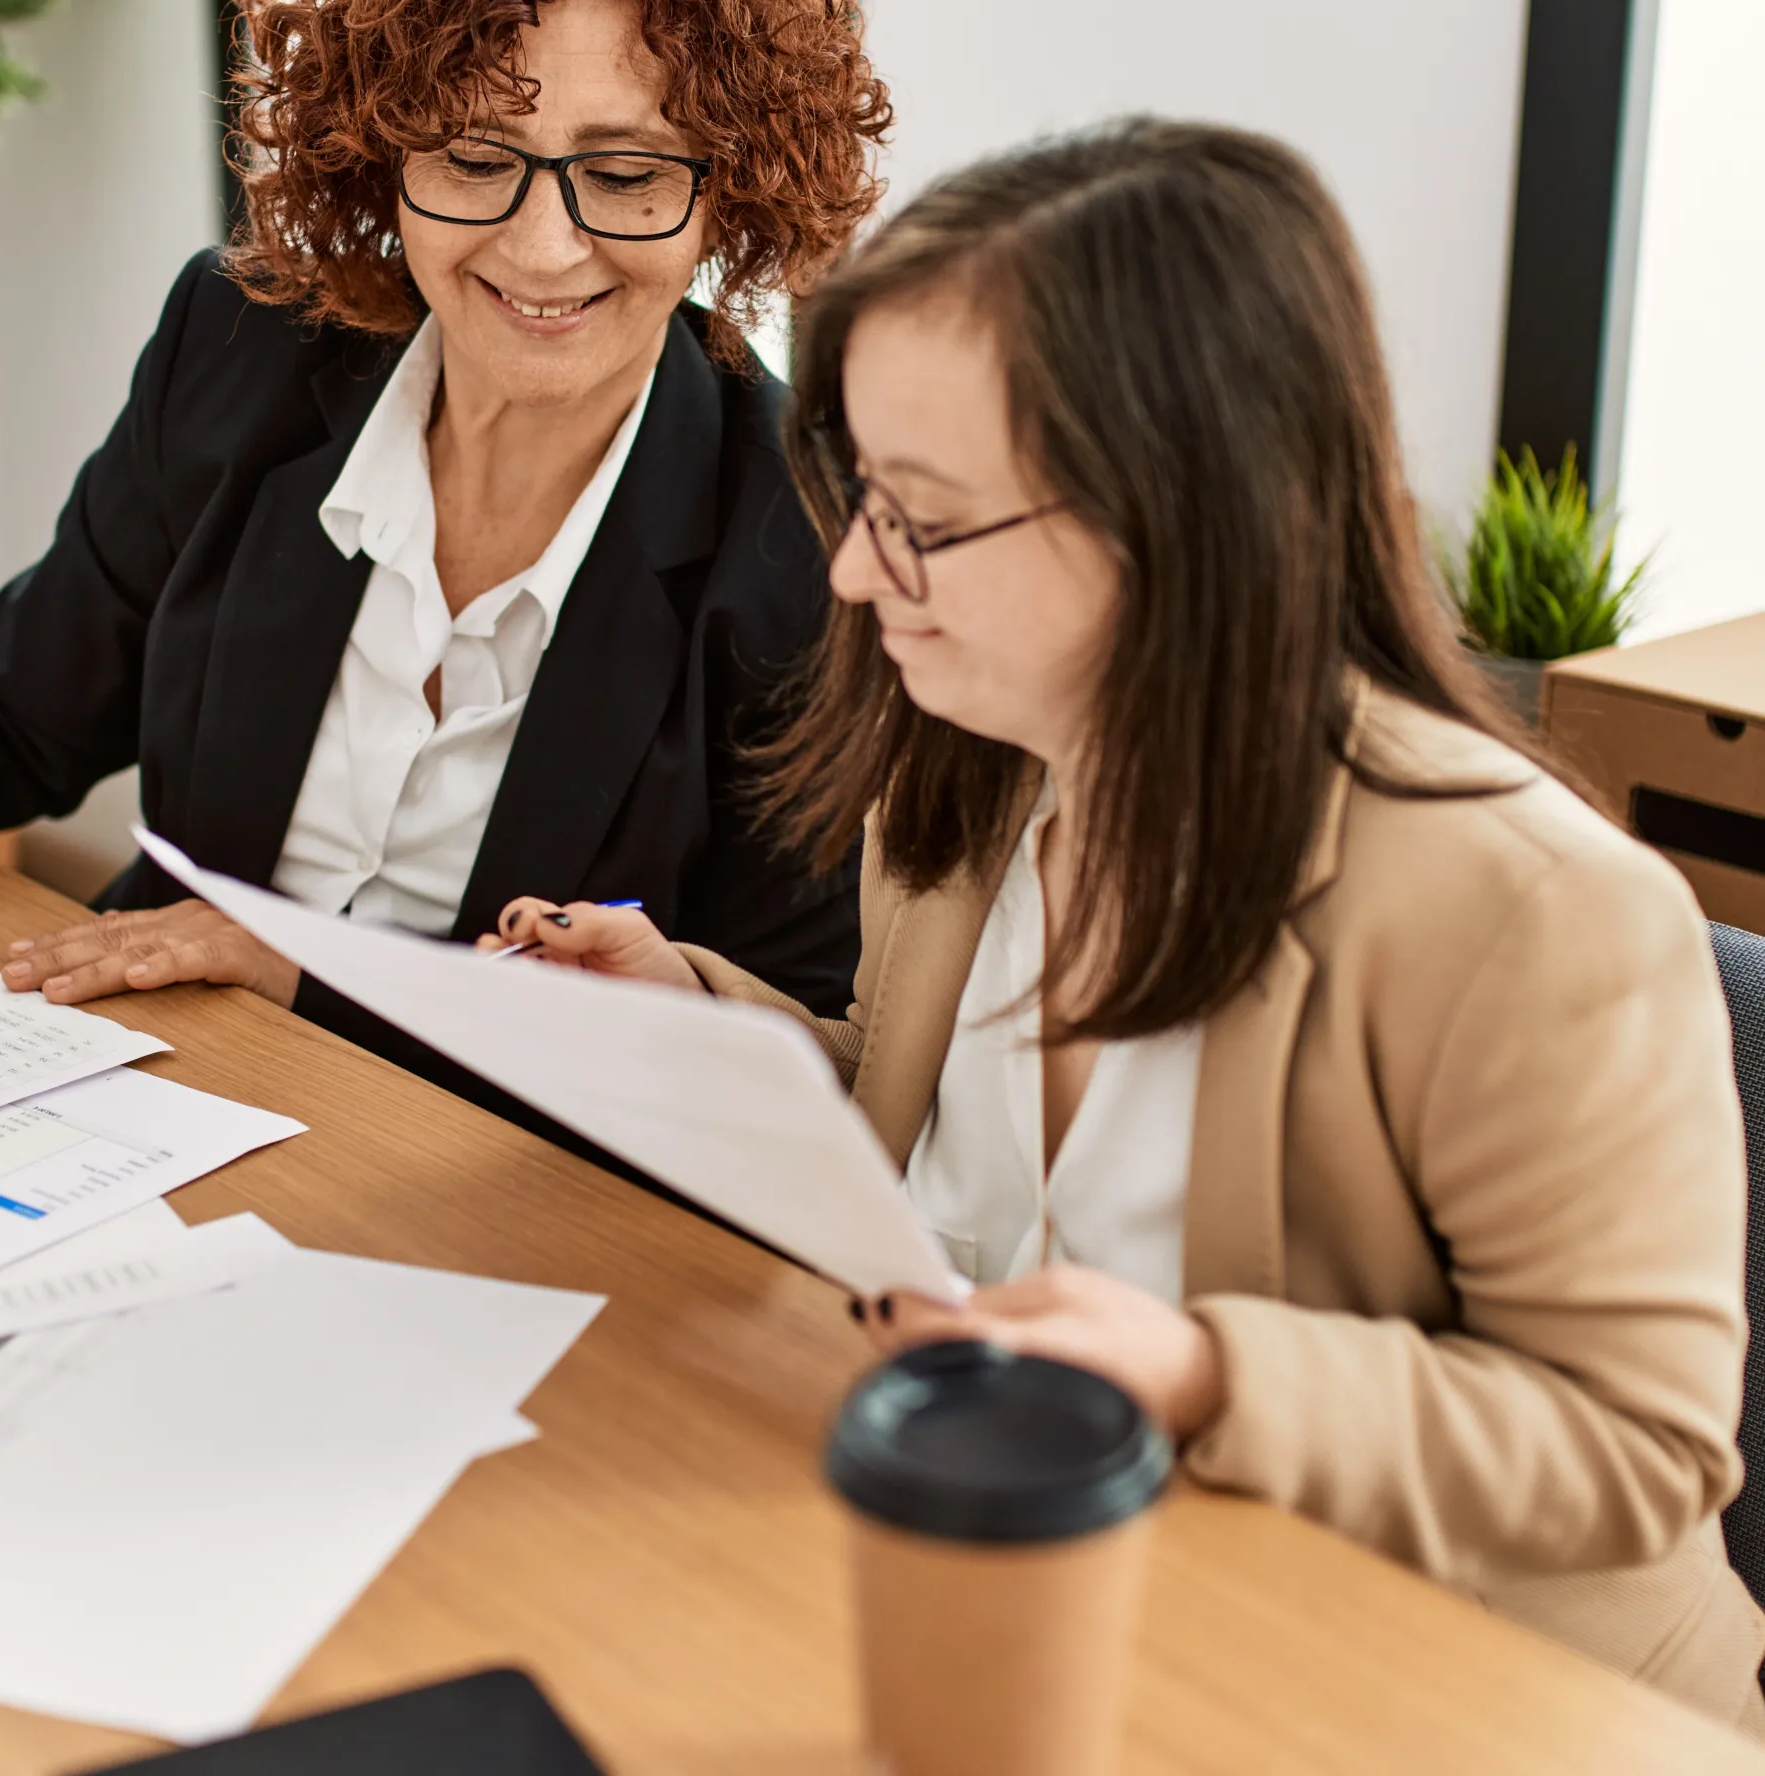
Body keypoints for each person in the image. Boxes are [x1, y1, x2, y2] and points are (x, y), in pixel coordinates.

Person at [488, 120, 1765, 1731]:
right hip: (1065, 1611)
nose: (860, 576)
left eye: (928, 519)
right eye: (865, 495)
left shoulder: (1534, 914)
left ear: (1179, 522)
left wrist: (1211, 1374)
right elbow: (942, 1141)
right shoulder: (969, 784)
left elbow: (1632, 1449)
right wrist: (696, 1014)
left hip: (1446, 1697)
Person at [0, 0, 889, 1139]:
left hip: (506, 1205)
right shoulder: (248, 346)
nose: (546, 247)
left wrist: (301, 980)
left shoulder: (809, 535)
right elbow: (1, 712)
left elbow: (767, 1046)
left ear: (726, 189)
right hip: (143, 1098)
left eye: (625, 175)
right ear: (380, 153)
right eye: (475, 156)